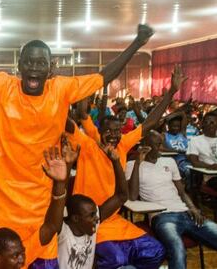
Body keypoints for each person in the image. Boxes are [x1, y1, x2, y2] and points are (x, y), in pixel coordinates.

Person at [0, 4, 154, 266]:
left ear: (51, 67)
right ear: (19, 64)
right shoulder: (1, 85)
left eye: (41, 63)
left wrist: (137, 42)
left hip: (42, 204)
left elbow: (103, 76)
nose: (34, 68)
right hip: (3, 203)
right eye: (29, 62)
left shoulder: (62, 89)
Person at [66, 65, 187, 268]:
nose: (114, 135)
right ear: (98, 131)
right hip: (91, 221)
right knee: (117, 260)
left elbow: (149, 123)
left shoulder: (122, 144)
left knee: (156, 252)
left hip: (116, 220)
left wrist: (171, 93)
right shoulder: (87, 145)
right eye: (109, 131)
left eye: (117, 131)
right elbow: (67, 122)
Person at [0, 141, 79, 269]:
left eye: (22, 253)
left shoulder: (20, 260)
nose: (22, 260)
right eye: (15, 256)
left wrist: (59, 184)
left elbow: (51, 227)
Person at [126, 130, 217, 269]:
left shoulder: (169, 161)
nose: (161, 148)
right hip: (162, 216)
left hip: (186, 213)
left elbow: (182, 192)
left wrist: (193, 208)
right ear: (145, 145)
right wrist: (138, 162)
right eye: (156, 145)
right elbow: (132, 196)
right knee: (177, 251)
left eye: (161, 143)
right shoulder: (132, 165)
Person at [58, 145, 128, 269]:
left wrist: (116, 161)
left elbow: (122, 196)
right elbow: (59, 199)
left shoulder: (93, 222)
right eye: (91, 215)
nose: (96, 218)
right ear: (75, 218)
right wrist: (68, 165)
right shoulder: (62, 231)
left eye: (95, 213)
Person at [187, 111, 217, 190]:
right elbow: (194, 162)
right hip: (209, 177)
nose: (209, 125)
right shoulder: (195, 140)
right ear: (202, 124)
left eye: (212, 122)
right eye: (206, 122)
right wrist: (211, 167)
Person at [162, 112, 192, 183]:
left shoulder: (182, 133)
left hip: (188, 159)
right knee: (188, 171)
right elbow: (161, 148)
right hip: (176, 161)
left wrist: (174, 115)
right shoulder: (164, 135)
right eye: (173, 126)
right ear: (168, 125)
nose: (176, 128)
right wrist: (176, 151)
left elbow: (183, 115)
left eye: (178, 126)